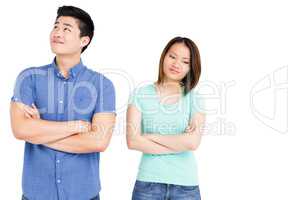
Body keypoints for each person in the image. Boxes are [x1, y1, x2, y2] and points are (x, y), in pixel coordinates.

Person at [10, 6, 116, 200]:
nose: (57, 33)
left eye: (66, 28)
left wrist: (39, 132)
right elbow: (20, 129)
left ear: (84, 40)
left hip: (84, 194)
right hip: (36, 195)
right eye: (56, 26)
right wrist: (76, 127)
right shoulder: (29, 78)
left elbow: (99, 141)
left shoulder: (102, 85)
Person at [126, 37, 206, 200]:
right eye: (172, 56)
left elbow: (192, 143)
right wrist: (178, 143)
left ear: (191, 67)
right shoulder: (141, 94)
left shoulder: (194, 98)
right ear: (164, 56)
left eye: (185, 61)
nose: (176, 64)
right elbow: (133, 141)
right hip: (148, 183)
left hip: (186, 186)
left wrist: (149, 137)